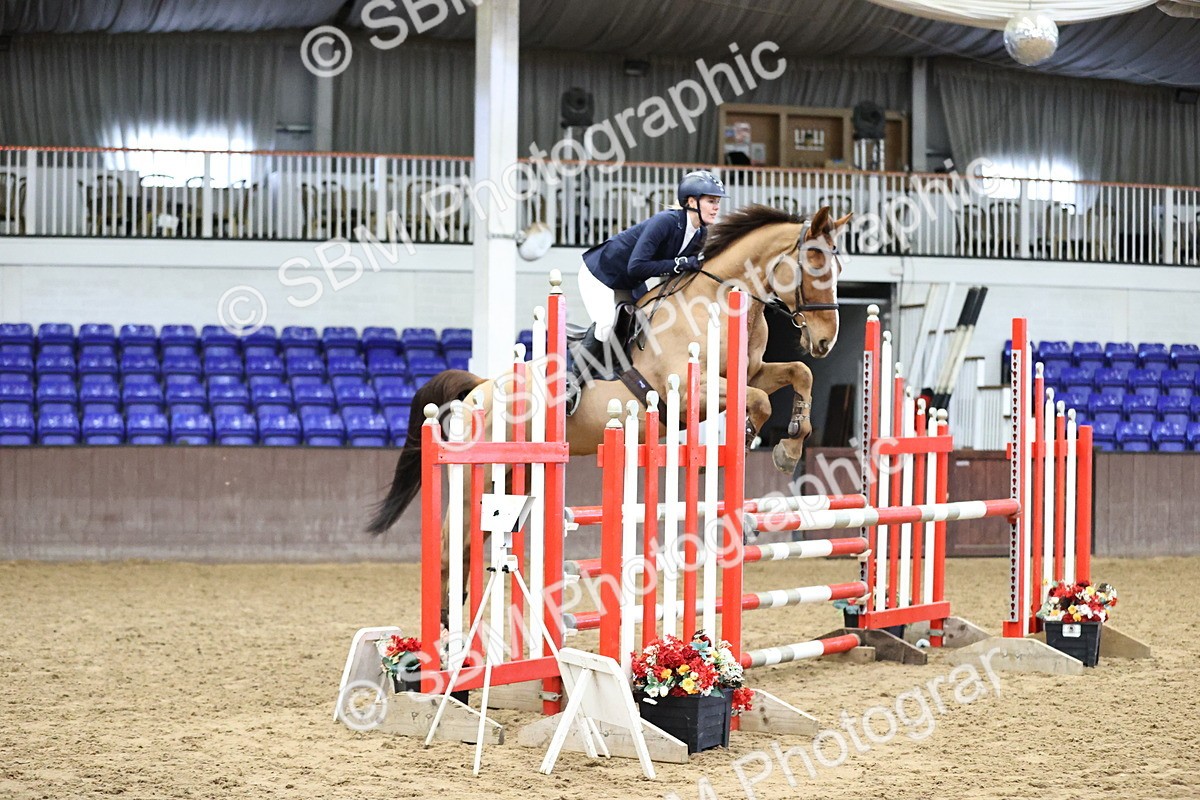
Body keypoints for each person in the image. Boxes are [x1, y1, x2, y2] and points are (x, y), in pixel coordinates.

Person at [577, 170, 726, 349]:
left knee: (647, 322)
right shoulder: (665, 221)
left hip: (630, 282)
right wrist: (679, 264)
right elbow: (637, 266)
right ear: (692, 201)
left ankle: (622, 369)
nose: (716, 207)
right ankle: (577, 374)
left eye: (717, 202)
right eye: (711, 201)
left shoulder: (700, 233)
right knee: (606, 325)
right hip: (600, 274)